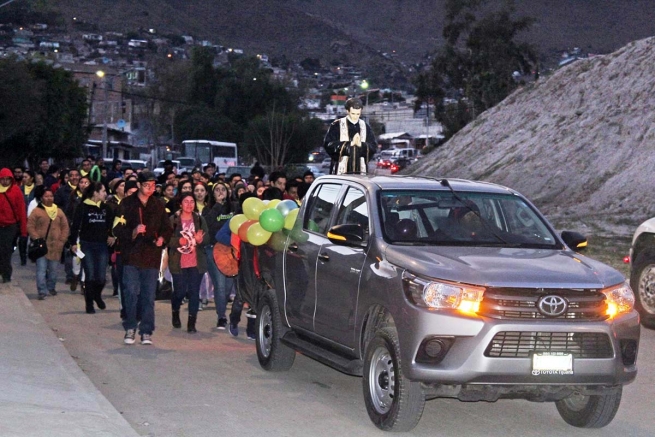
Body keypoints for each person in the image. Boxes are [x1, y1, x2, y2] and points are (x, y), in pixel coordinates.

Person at [113, 171, 173, 345]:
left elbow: (167, 227)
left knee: (148, 295)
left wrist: (162, 239)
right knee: (130, 292)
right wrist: (132, 232)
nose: (150, 188)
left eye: (153, 185)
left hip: (151, 256)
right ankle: (130, 327)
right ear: (139, 185)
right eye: (147, 185)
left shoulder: (158, 205)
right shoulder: (126, 204)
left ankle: (146, 331)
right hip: (131, 255)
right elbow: (116, 228)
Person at [69, 182, 115, 313]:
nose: (105, 193)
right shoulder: (82, 207)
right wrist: (73, 243)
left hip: (102, 245)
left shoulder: (107, 208)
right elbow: (75, 226)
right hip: (86, 245)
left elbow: (112, 226)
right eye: (103, 191)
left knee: (101, 277)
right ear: (95, 192)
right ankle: (89, 303)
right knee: (89, 275)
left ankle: (97, 295)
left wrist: (112, 236)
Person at [168, 193, 209, 333]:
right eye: (186, 201)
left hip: (196, 262)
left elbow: (207, 238)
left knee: (193, 292)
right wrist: (178, 241)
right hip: (178, 262)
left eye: (192, 202)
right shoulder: (173, 220)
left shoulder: (199, 220)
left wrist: (200, 240)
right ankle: (175, 310)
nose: (189, 204)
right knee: (179, 291)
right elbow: (167, 239)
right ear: (180, 203)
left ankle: (192, 322)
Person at [202, 182, 235, 329]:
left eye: (223, 190)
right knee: (220, 285)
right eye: (217, 190)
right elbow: (209, 225)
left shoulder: (235, 207)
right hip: (213, 249)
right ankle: (221, 316)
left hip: (232, 250)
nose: (221, 192)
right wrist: (217, 206)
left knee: (229, 285)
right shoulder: (207, 209)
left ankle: (222, 308)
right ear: (212, 193)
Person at [27, 187, 69, 300]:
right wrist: (36, 238)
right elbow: (30, 226)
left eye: (51, 196)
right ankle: (41, 290)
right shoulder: (36, 211)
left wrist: (62, 240)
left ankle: (51, 287)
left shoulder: (59, 212)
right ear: (42, 198)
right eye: (46, 196)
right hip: (41, 247)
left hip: (56, 246)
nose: (49, 198)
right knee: (41, 269)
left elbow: (65, 227)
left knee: (53, 270)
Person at [323, 97, 377, 175]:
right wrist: (349, 144)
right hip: (340, 170)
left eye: (358, 114)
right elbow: (328, 144)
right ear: (347, 111)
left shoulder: (365, 126)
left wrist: (361, 145)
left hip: (361, 170)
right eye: (353, 113)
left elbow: (373, 146)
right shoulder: (337, 125)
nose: (355, 116)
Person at [0, 168, 27, 283]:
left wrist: (23, 231)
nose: (5, 181)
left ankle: (6, 274)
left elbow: (21, 211)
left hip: (10, 226)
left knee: (6, 250)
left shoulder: (16, 191)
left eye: (7, 179)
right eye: (3, 179)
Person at [18, 170, 37, 265]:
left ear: (32, 178)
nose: (24, 178)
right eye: (23, 177)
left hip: (35, 219)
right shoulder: (19, 189)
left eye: (26, 177)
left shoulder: (37, 190)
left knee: (34, 238)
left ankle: (33, 255)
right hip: (23, 218)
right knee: (23, 239)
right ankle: (23, 258)